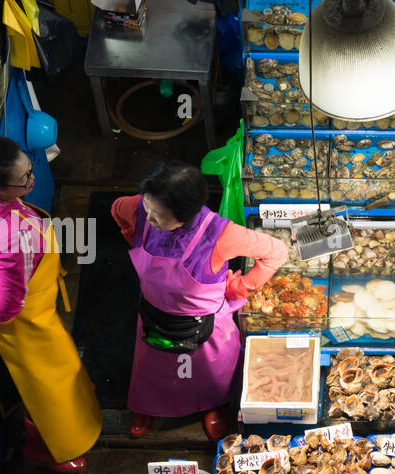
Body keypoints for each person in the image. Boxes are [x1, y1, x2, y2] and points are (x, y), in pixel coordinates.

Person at [0, 136, 103, 474]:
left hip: (33, 306)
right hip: (22, 319)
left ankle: (72, 397)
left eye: (30, 169)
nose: (32, 181)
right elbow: (9, 302)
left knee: (59, 367)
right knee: (41, 384)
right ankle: (47, 447)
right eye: (24, 180)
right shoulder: (13, 238)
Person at [111, 160, 289, 441]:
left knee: (209, 372)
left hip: (204, 323)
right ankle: (150, 407)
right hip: (154, 315)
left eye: (157, 215)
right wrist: (132, 234)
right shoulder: (141, 209)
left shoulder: (222, 234)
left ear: (184, 213)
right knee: (152, 368)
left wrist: (241, 288)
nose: (149, 217)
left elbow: (276, 251)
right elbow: (117, 208)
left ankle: (213, 406)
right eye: (147, 207)